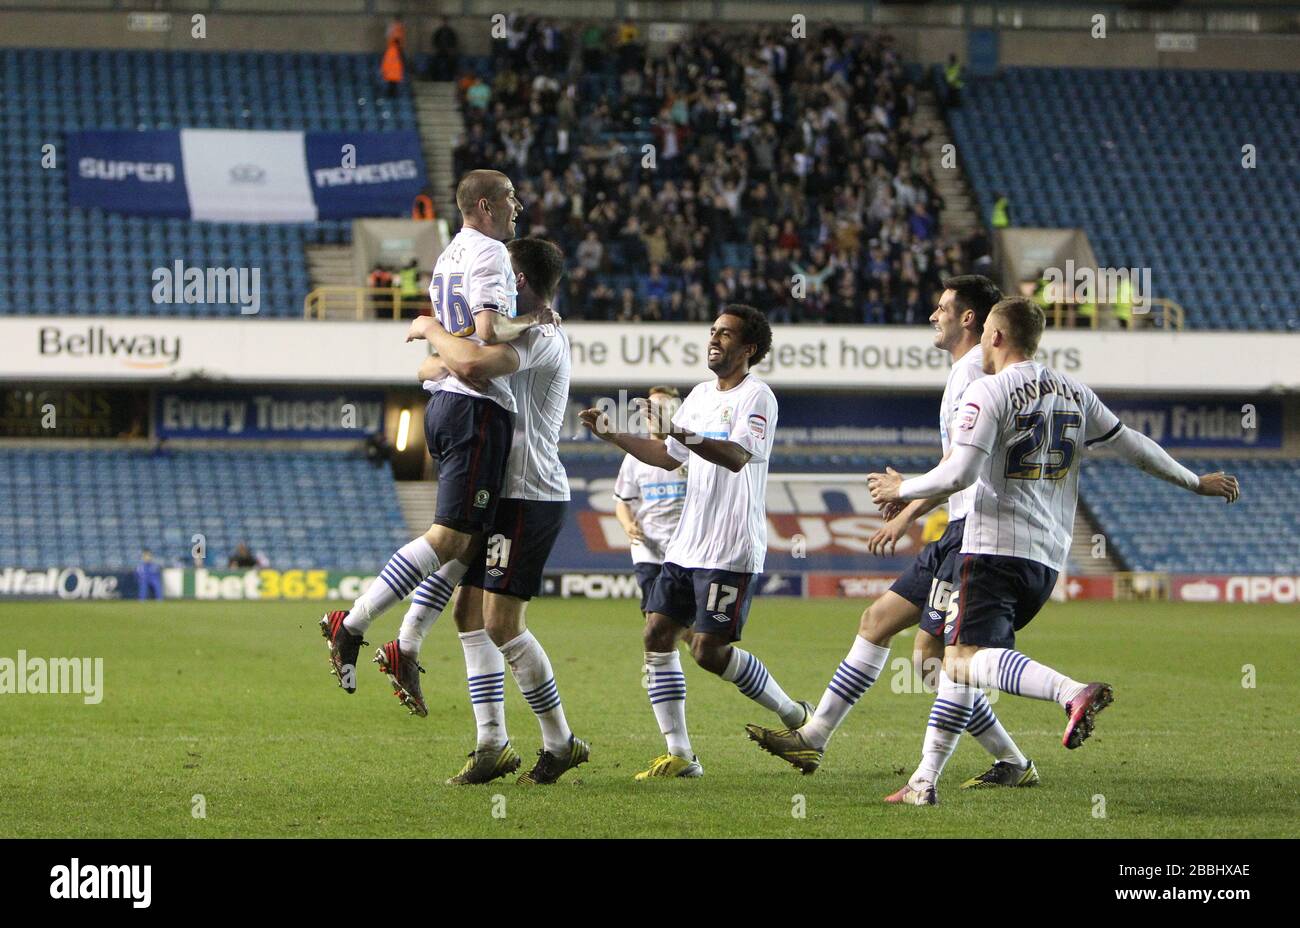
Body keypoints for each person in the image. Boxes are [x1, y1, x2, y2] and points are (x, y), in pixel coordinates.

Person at [866, 296, 1240, 804]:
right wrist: (1196, 482)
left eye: (984, 336)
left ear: (995, 337)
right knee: (960, 656)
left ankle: (1070, 692)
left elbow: (960, 474)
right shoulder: (1073, 391)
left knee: (960, 661)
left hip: (991, 548)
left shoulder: (988, 392)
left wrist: (901, 490)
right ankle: (924, 781)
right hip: (1045, 559)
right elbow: (1133, 445)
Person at [747, 276, 1033, 790]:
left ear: (969, 318)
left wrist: (904, 500)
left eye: (941, 307)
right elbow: (954, 464)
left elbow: (961, 466)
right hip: (956, 531)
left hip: (974, 534)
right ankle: (814, 736)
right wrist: (907, 514)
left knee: (935, 661)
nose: (932, 315)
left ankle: (1010, 757)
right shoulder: (962, 375)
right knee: (878, 621)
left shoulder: (974, 376)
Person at [318, 169, 549, 697]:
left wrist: (436, 339)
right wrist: (533, 318)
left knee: (464, 543)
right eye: (511, 197)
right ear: (487, 206)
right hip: (475, 411)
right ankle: (351, 624)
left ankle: (407, 642)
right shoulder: (490, 254)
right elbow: (488, 332)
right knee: (448, 536)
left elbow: (456, 335)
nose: (519, 204)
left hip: (450, 405)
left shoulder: (448, 255)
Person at [580, 306, 813, 780]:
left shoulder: (758, 397)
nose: (714, 339)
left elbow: (734, 456)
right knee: (656, 634)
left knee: (708, 651)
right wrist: (612, 433)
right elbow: (667, 457)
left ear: (748, 349)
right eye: (712, 331)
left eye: (726, 334)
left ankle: (795, 717)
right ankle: (681, 754)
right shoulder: (699, 396)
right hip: (685, 547)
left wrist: (678, 430)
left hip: (730, 547)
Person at [398, 237, 588, 785]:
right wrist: (436, 362)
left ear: (519, 283)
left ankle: (560, 741)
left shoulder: (537, 332)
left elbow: (470, 364)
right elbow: (442, 368)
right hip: (503, 489)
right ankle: (492, 745)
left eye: (504, 280)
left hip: (529, 491)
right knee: (467, 613)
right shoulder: (522, 326)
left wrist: (432, 333)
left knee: (502, 622)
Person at [613, 387, 688, 623]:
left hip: (685, 549)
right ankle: (657, 658)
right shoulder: (635, 457)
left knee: (684, 624)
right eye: (648, 410)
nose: (653, 414)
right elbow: (622, 502)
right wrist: (627, 526)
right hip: (649, 548)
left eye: (661, 409)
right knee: (653, 616)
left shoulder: (690, 454)